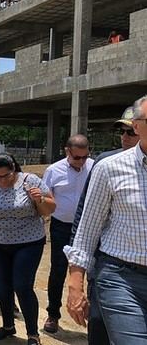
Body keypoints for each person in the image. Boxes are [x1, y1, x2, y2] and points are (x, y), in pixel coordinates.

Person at [65, 95, 147, 344]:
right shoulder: (109, 168)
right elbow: (87, 229)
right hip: (122, 277)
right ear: (137, 126)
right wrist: (76, 284)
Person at [0, 154, 55, 345]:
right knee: (2, 286)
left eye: (7, 176)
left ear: (14, 170)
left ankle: (33, 334)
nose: (3, 180)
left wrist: (40, 199)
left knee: (22, 286)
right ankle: (8, 325)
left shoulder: (30, 181)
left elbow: (50, 208)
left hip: (28, 242)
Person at [40, 134, 93, 333]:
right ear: (67, 151)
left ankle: (95, 315)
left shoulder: (95, 168)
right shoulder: (53, 171)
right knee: (59, 270)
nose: (81, 162)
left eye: (84, 157)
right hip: (62, 226)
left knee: (92, 271)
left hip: (88, 226)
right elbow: (46, 198)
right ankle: (53, 314)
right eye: (76, 157)